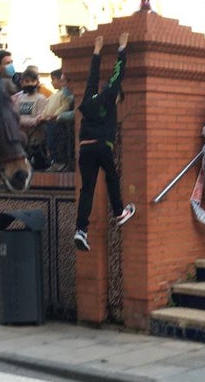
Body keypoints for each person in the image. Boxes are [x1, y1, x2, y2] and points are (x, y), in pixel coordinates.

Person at [74, 34, 136, 252]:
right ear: (117, 97)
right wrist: (122, 48)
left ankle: (81, 230)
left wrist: (97, 51)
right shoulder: (111, 96)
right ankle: (119, 212)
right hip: (102, 146)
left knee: (87, 190)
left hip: (85, 148)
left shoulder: (89, 97)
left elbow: (92, 77)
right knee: (112, 177)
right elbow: (118, 74)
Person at [40, 69, 75, 171]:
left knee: (59, 143)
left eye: (54, 79)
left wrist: (55, 115)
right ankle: (54, 162)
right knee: (50, 143)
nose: (52, 82)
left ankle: (61, 162)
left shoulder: (65, 94)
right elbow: (47, 107)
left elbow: (64, 106)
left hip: (59, 124)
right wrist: (43, 116)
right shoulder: (53, 95)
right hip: (50, 122)